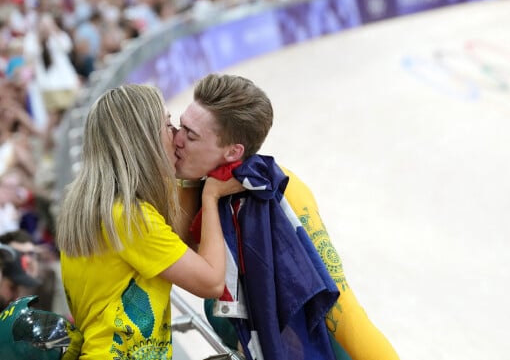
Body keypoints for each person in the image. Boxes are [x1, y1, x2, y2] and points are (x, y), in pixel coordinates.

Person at [173, 73, 399, 360]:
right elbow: (179, 249)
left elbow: (344, 312)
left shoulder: (282, 192)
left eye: (190, 135)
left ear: (233, 152)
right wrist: (187, 178)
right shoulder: (208, 185)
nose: (177, 140)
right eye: (180, 126)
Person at [55, 84, 243, 359]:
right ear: (144, 139)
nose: (176, 136)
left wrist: (189, 174)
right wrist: (212, 196)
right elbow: (211, 282)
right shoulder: (130, 216)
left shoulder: (99, 204)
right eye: (168, 125)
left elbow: (178, 242)